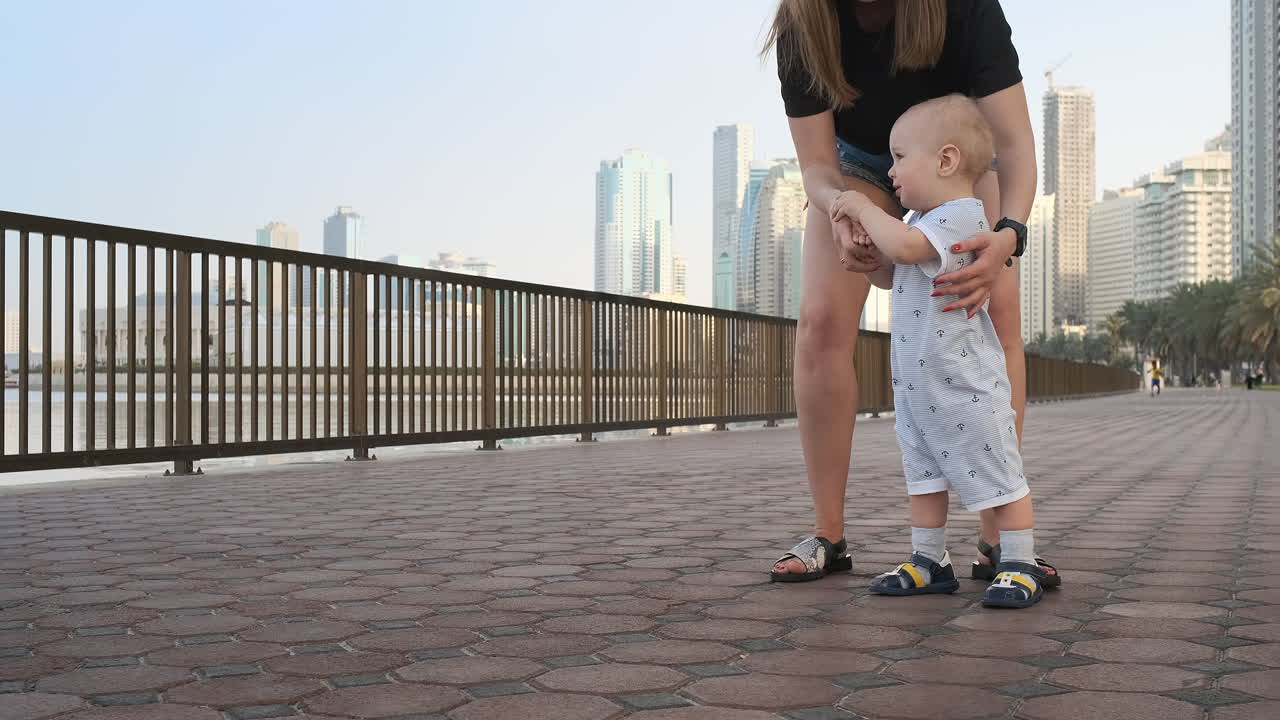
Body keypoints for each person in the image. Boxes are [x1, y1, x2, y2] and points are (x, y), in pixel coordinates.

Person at [762, 0, 1060, 587]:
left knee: (999, 315)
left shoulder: (966, 9)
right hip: (859, 170)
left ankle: (997, 539)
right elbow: (818, 166)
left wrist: (1010, 235)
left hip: (958, 165)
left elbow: (1017, 146)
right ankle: (829, 535)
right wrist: (841, 211)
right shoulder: (803, 23)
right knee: (821, 322)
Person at [829, 94, 1047, 607]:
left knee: (998, 471)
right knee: (923, 475)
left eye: (900, 157)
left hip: (966, 387)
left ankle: (1019, 561)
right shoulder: (920, 222)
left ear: (947, 161)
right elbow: (896, 269)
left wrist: (862, 205)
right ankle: (929, 557)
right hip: (920, 387)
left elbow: (906, 248)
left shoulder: (960, 216)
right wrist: (869, 256)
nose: (891, 171)